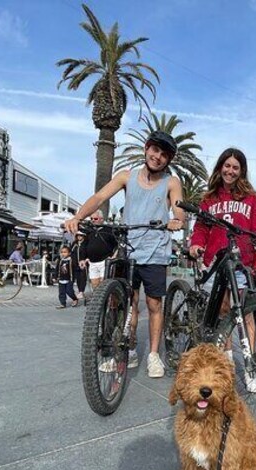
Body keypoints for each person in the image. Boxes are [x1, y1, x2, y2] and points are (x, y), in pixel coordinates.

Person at [64, 131, 185, 378]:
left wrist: (177, 220)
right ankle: (126, 350)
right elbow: (99, 197)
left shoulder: (171, 182)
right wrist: (78, 217)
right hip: (128, 251)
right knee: (125, 302)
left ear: (168, 159)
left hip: (154, 252)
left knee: (153, 304)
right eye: (155, 150)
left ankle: (153, 355)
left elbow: (178, 208)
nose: (158, 157)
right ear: (146, 149)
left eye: (164, 154)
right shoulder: (126, 177)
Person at [188, 147, 256, 393]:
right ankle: (227, 362)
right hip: (217, 261)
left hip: (242, 261)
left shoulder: (251, 198)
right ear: (220, 167)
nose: (230, 170)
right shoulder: (209, 198)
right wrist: (196, 243)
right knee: (224, 312)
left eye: (235, 167)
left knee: (246, 312)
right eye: (227, 166)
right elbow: (201, 228)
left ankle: (249, 367)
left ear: (241, 171)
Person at [86, 212, 107, 291]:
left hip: (104, 261)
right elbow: (85, 244)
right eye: (91, 219)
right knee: (94, 285)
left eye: (95, 219)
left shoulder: (108, 230)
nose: (92, 220)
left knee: (103, 284)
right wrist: (84, 258)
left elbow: (117, 244)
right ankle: (96, 302)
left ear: (101, 219)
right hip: (92, 262)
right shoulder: (90, 231)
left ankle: (105, 302)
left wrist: (113, 255)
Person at [70, 231, 88, 300]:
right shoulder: (74, 244)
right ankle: (79, 291)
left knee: (83, 278)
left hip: (83, 264)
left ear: (83, 236)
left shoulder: (86, 243)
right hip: (75, 264)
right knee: (78, 278)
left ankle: (81, 291)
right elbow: (71, 252)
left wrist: (86, 260)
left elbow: (88, 253)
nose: (79, 237)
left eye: (80, 235)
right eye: (78, 235)